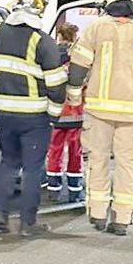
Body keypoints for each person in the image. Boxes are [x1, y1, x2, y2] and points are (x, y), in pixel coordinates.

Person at [66, 0, 133, 236]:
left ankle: (97, 214)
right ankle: (121, 219)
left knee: (97, 162)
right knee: (127, 166)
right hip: (131, 115)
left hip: (98, 113)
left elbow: (77, 69)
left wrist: (74, 97)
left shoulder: (95, 29)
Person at [0, 0, 66, 238]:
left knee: (7, 163)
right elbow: (57, 86)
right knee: (33, 169)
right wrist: (54, 115)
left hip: (4, 115)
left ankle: (0, 214)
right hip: (35, 118)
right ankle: (28, 223)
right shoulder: (42, 42)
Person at [45, 23, 85, 203]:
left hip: (56, 113)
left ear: (59, 36)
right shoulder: (79, 58)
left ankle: (54, 190)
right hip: (76, 114)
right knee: (76, 153)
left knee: (55, 151)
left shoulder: (50, 56)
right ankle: (75, 191)